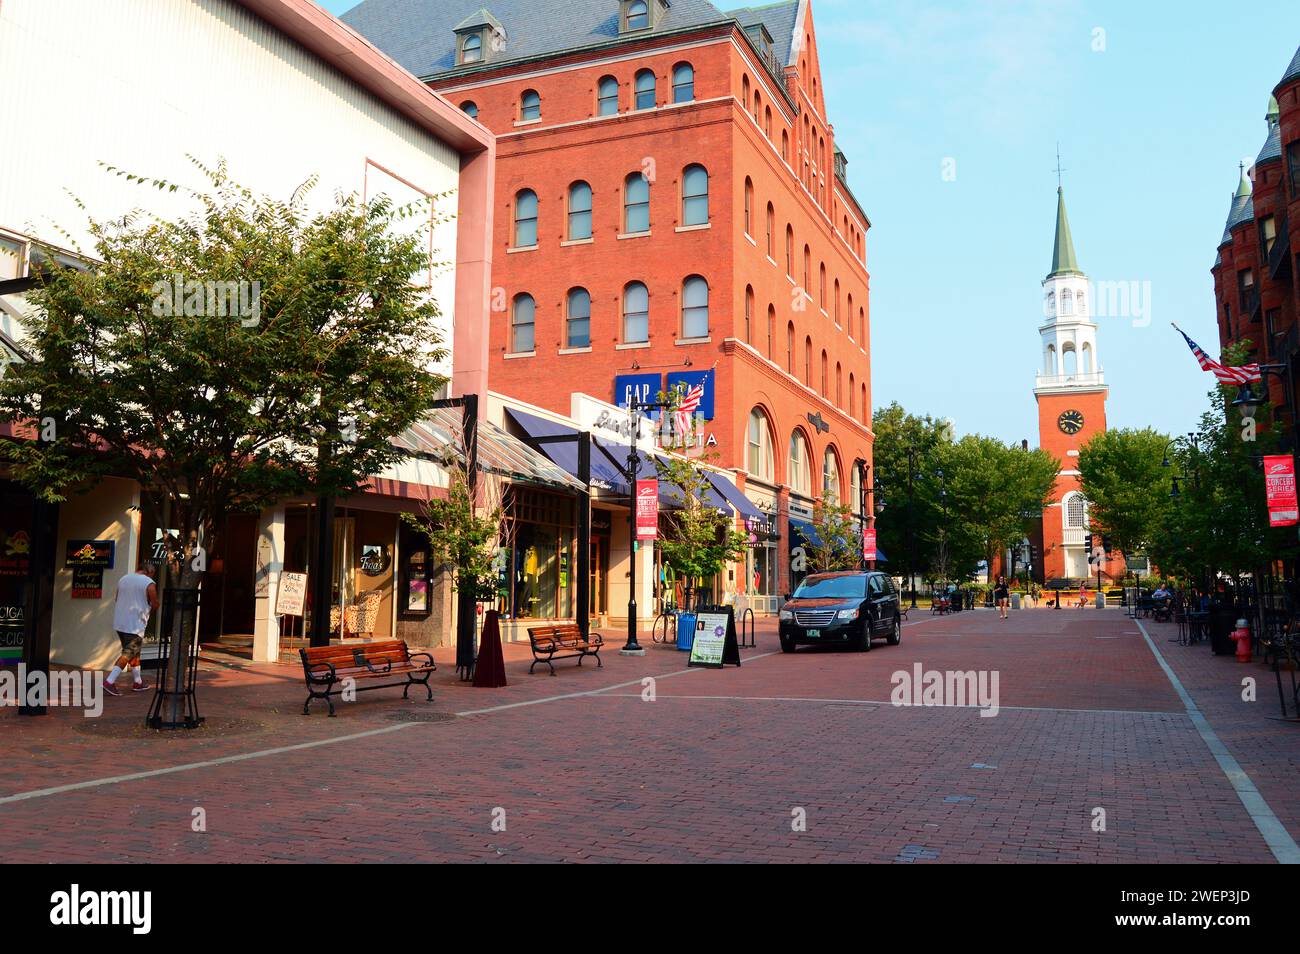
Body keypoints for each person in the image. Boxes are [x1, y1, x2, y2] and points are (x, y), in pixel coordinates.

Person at [105, 561, 159, 696]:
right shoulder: (149, 583)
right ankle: (109, 681)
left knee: (134, 652)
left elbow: (117, 598)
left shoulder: (123, 579)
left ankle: (138, 682)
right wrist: (149, 611)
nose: (153, 576)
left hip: (120, 622)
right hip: (135, 624)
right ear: (149, 571)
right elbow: (155, 603)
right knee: (128, 653)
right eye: (153, 573)